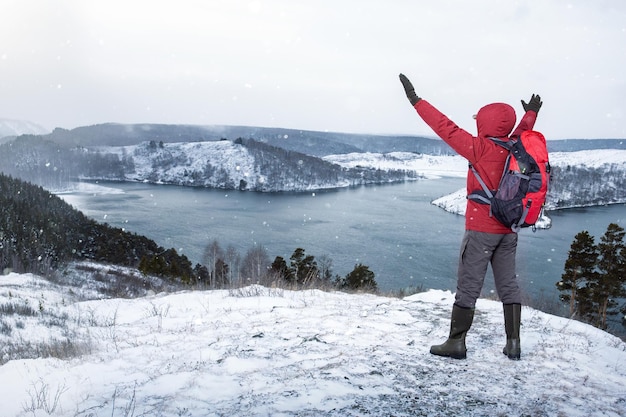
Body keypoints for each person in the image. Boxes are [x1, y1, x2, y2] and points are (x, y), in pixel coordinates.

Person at [398, 73, 542, 360]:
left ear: (484, 123)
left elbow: (444, 127)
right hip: (508, 230)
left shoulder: (479, 148)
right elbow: (519, 131)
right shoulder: (516, 147)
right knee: (508, 284)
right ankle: (513, 344)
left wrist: (416, 101)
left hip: (481, 231)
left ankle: (456, 342)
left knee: (469, 285)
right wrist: (530, 115)